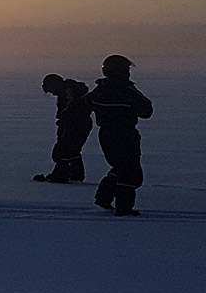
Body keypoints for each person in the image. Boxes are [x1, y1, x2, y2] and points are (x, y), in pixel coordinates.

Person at [88, 55, 152, 216]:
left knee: (121, 168)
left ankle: (104, 197)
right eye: (126, 70)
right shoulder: (126, 91)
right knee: (129, 172)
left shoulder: (100, 90)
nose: (129, 73)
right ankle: (122, 207)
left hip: (107, 135)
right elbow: (146, 110)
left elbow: (83, 104)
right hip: (124, 135)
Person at [33, 73, 91, 183]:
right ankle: (75, 175)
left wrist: (64, 117)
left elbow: (71, 106)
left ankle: (61, 175)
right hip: (77, 124)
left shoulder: (69, 91)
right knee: (72, 150)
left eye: (51, 90)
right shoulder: (67, 92)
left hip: (75, 124)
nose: (51, 93)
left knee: (63, 150)